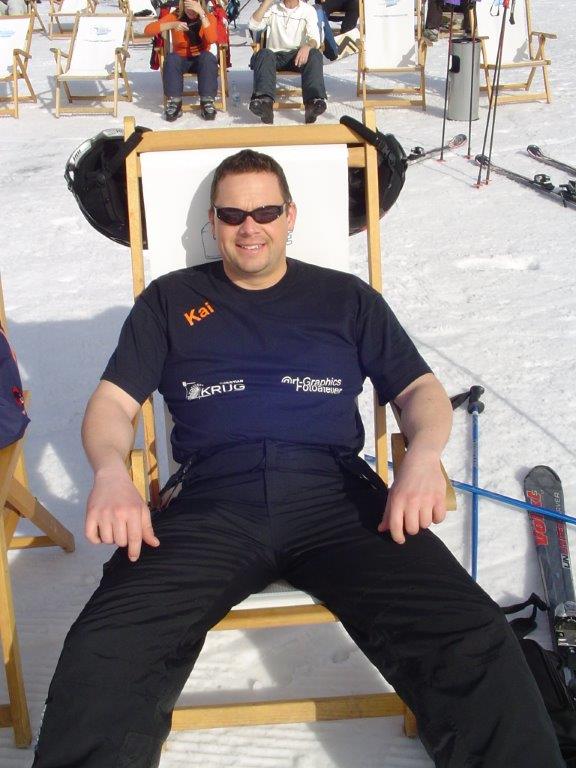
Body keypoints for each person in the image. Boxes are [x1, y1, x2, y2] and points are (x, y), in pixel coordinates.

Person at [32, 149, 563, 768]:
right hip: (210, 502)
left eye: (264, 212)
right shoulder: (170, 300)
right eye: (232, 214)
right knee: (108, 645)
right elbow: (112, 404)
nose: (248, 228)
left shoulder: (345, 298)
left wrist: (422, 455)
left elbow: (419, 391)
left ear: (290, 216)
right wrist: (109, 472)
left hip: (337, 499)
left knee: (468, 634)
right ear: (213, 221)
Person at [248, 0, 327, 125]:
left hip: (298, 55)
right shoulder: (273, 8)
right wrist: (266, 3)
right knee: (264, 53)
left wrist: (307, 46)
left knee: (315, 54)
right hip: (275, 56)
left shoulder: (308, 10)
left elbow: (315, 39)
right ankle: (265, 104)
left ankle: (313, 103)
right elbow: (253, 25)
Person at [144, 0, 219, 122]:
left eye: (194, 8)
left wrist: (202, 14)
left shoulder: (208, 17)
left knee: (208, 58)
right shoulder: (175, 16)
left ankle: (207, 101)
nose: (191, 11)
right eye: (188, 7)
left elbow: (212, 39)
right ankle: (175, 101)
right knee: (171, 59)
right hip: (181, 58)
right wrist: (172, 25)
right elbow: (148, 30)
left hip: (201, 58)